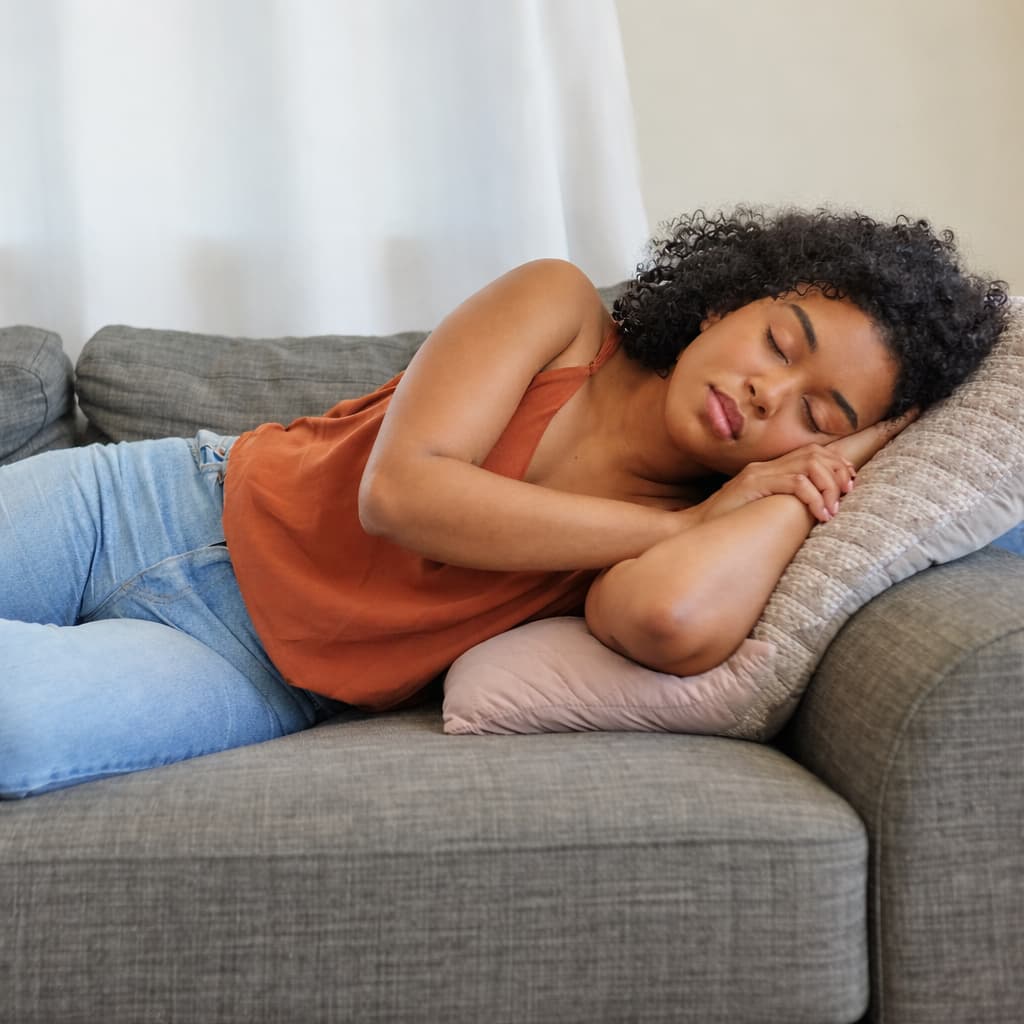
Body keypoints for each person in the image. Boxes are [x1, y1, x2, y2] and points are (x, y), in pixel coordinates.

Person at [0, 207, 1008, 798]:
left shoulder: (718, 525)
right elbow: (402, 493)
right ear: (724, 303)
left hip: (251, 667)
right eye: (778, 344)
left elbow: (665, 619)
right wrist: (681, 521)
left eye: (818, 412)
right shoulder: (558, 308)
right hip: (154, 503)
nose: (765, 392)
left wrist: (796, 492)